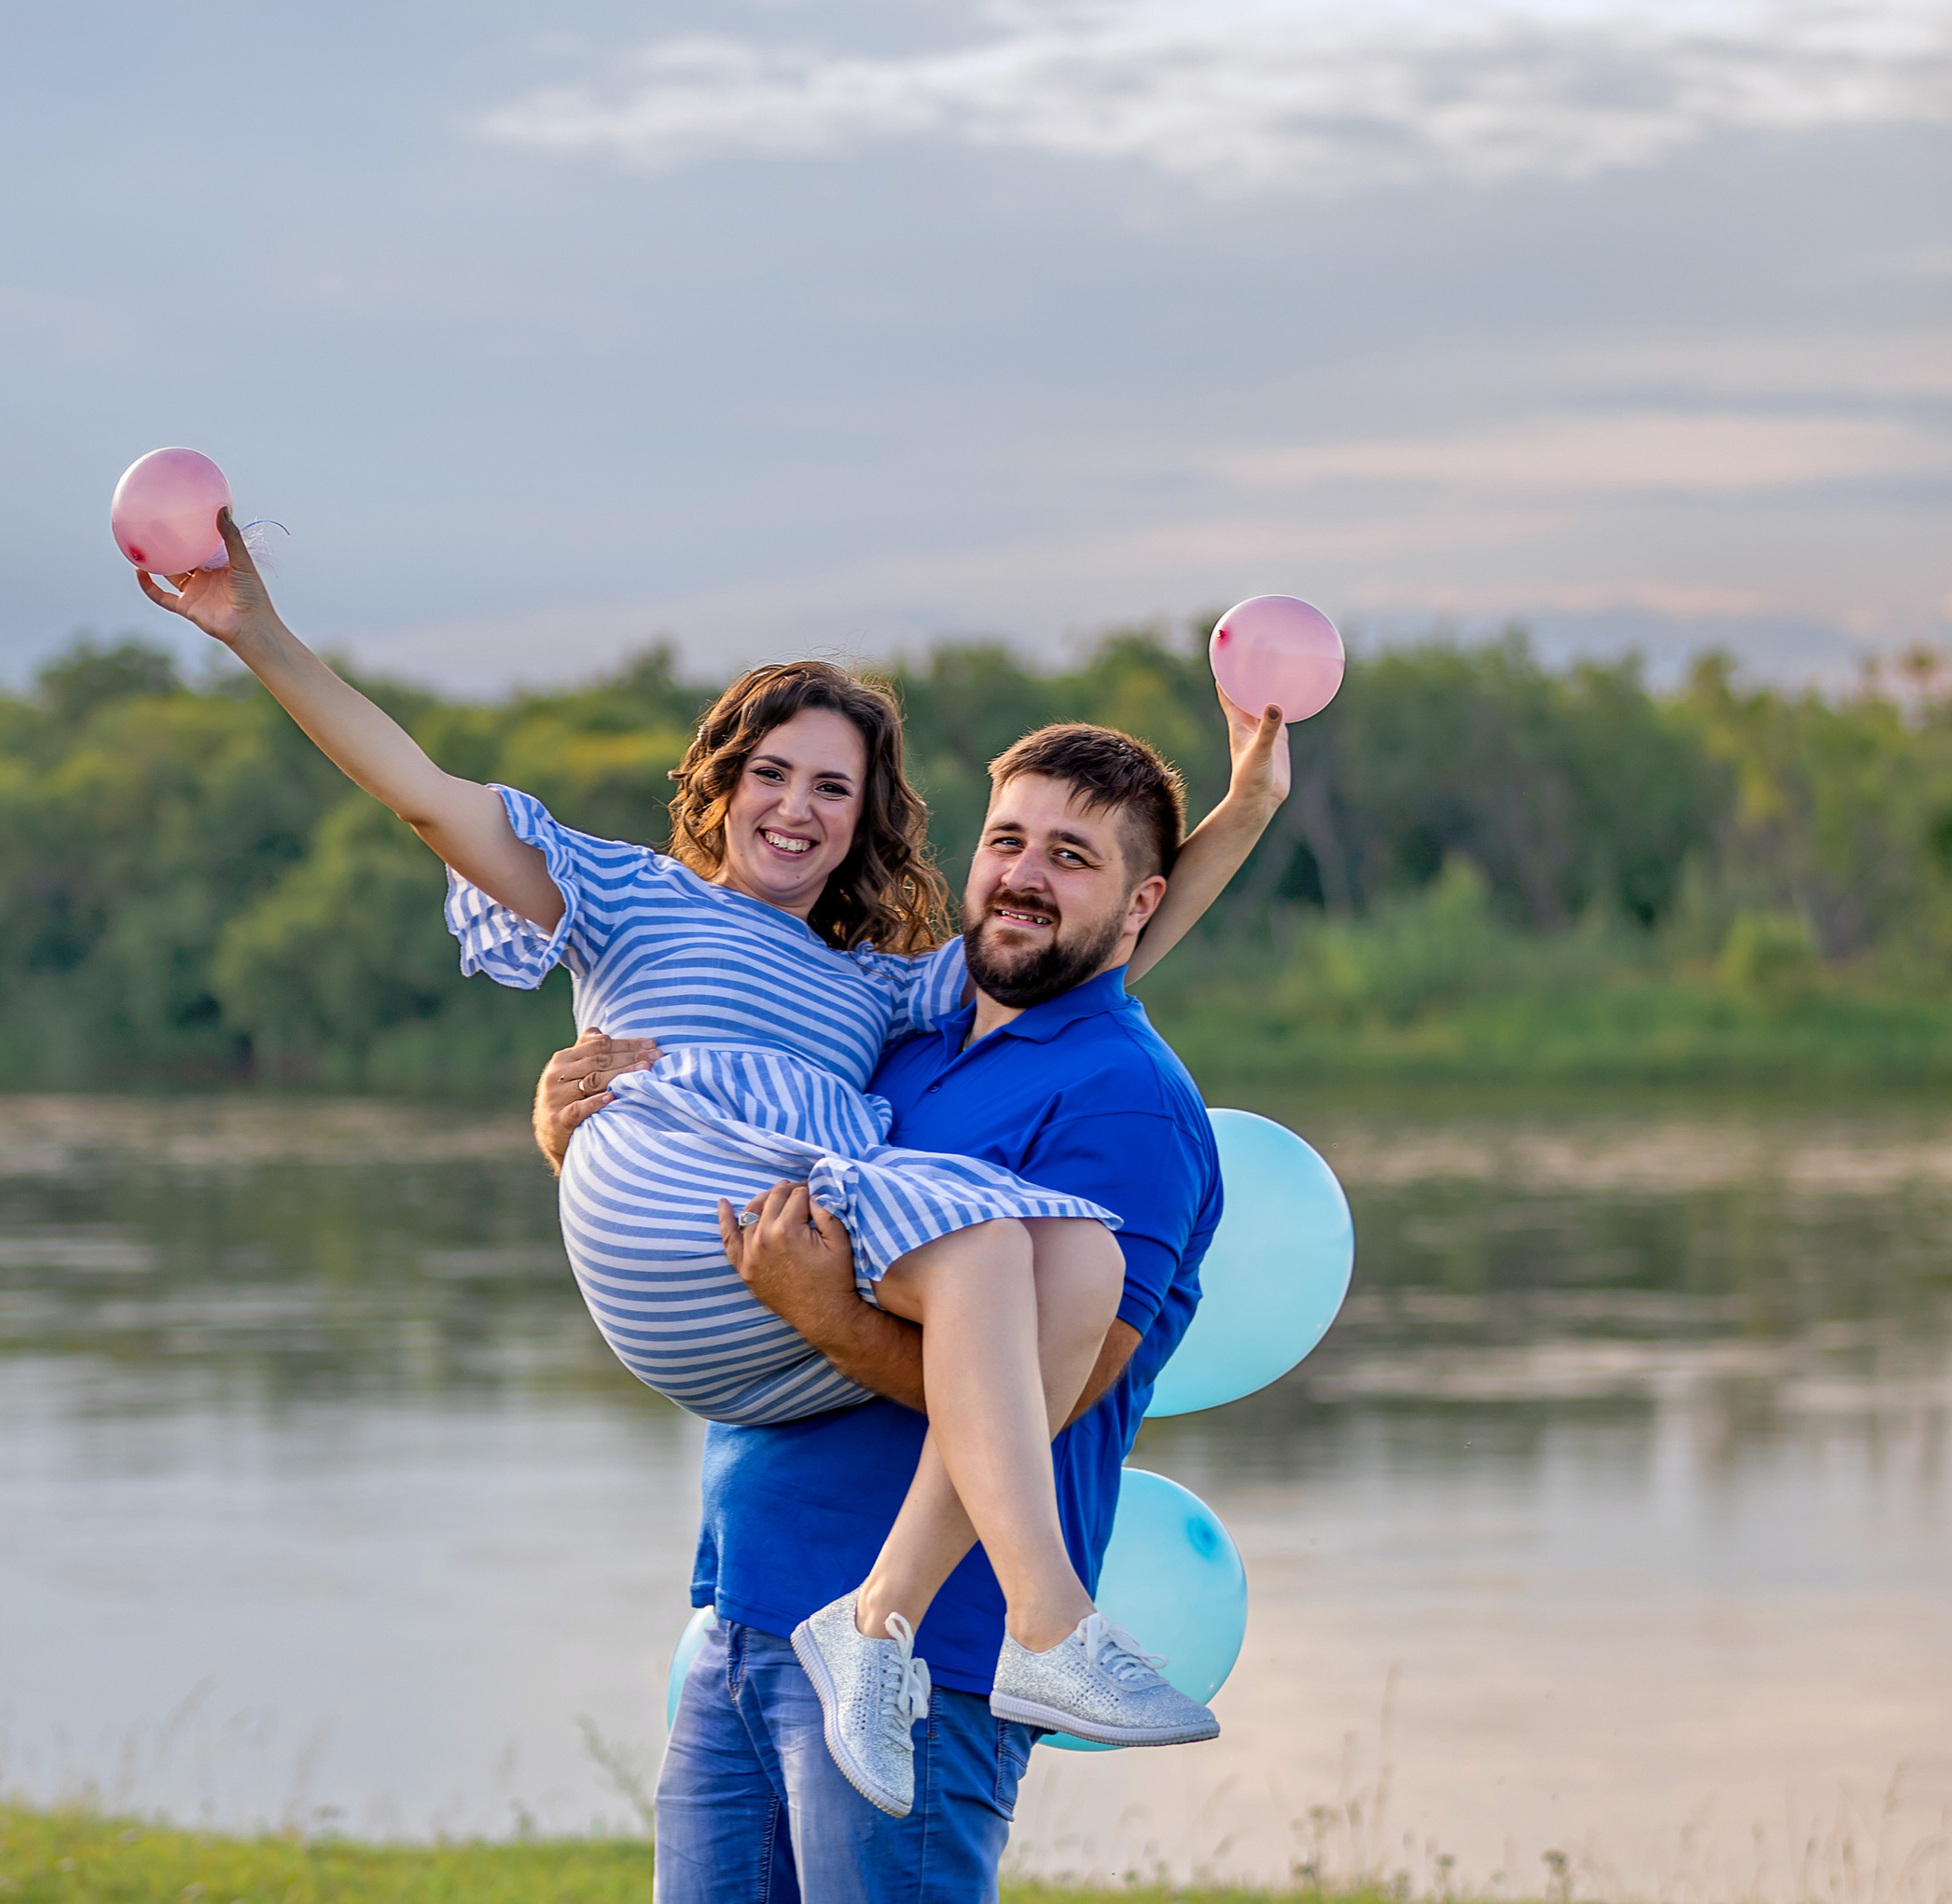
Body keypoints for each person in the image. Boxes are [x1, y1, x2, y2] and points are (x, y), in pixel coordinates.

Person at [141, 515, 1286, 1797]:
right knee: (984, 1247)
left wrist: (1244, 809)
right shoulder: (630, 898)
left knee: (1072, 1254)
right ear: (721, 785)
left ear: (864, 821)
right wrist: (255, 633)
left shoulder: (877, 990)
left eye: (832, 789)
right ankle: (1045, 1623)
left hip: (762, 1281)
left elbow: (1081, 941)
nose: (796, 807)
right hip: (689, 1230)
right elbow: (419, 790)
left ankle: (892, 1625)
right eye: (772, 774)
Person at [535, 711, 1268, 1904]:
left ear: (1139, 902)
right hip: (747, 1594)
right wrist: (583, 1130)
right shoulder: (913, 1031)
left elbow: (1059, 1388)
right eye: (1010, 839)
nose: (1024, 877)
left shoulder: (1130, 1106)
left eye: (1074, 858)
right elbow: (724, 1153)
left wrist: (815, 1308)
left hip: (924, 1641)